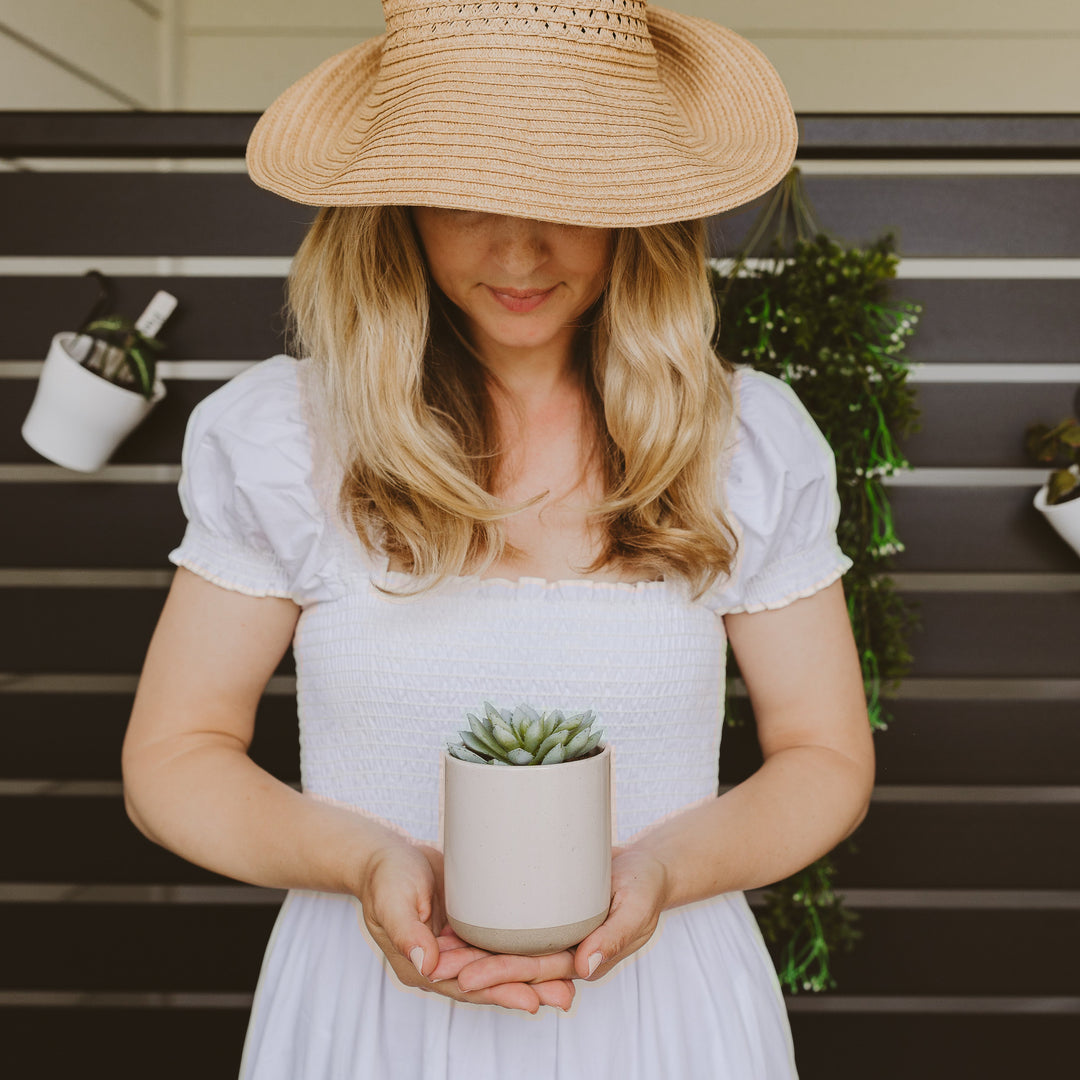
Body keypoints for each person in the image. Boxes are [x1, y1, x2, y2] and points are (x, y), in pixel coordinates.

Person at [122, 3, 874, 1077]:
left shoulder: (746, 440)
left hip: (667, 1013)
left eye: (567, 195)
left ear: (636, 212)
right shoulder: (285, 436)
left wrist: (659, 869)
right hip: (368, 1011)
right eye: (470, 196)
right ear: (398, 206)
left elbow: (826, 755)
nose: (520, 249)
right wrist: (368, 860)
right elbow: (170, 758)